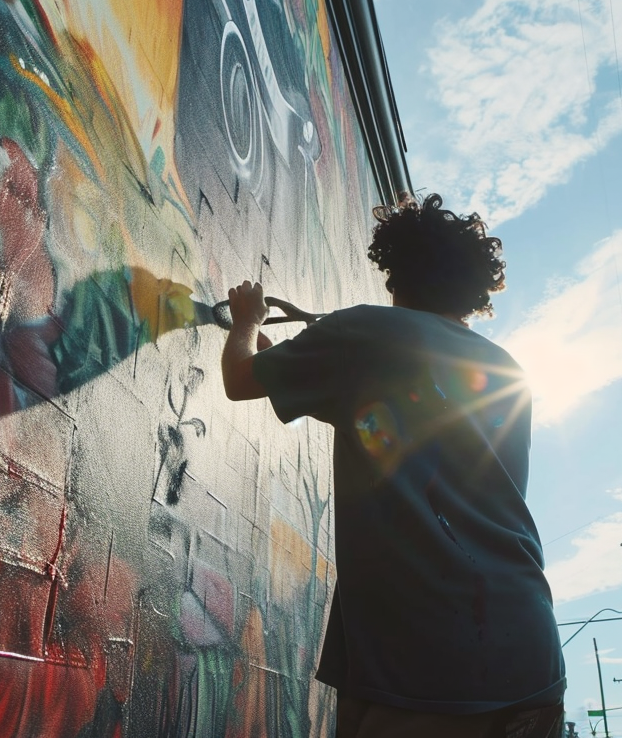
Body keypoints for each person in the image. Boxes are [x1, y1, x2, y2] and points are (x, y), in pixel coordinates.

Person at [221, 194, 565, 738]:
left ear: (394, 272)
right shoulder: (509, 371)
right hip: (530, 655)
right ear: (474, 291)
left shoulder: (365, 333)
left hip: (425, 658)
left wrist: (246, 321)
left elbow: (240, 380)